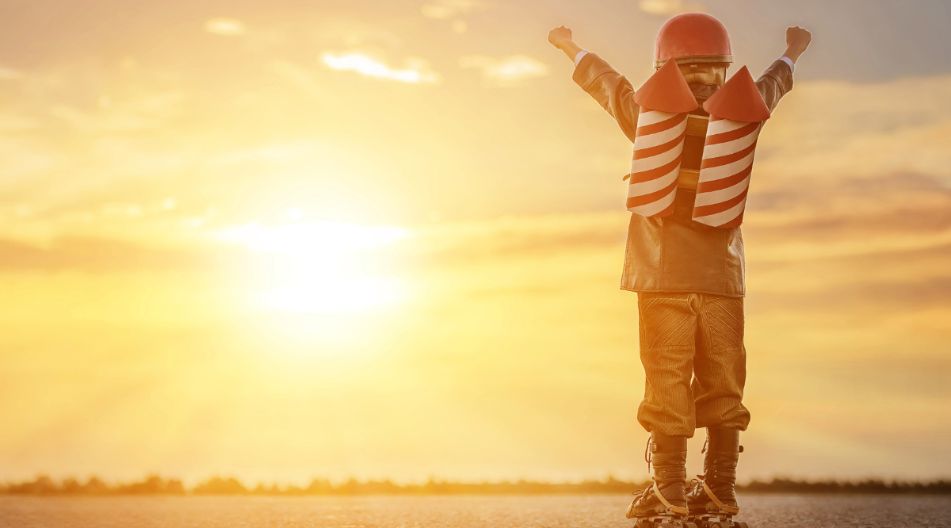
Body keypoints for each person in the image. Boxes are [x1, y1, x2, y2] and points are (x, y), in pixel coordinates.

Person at [547, 13, 811, 524]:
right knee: (724, 382)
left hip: (662, 278)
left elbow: (609, 86)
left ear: (664, 69)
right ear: (724, 68)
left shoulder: (647, 118)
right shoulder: (744, 115)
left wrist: (568, 46)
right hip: (722, 280)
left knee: (666, 380)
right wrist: (793, 51)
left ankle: (668, 488)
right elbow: (772, 85)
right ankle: (720, 489)